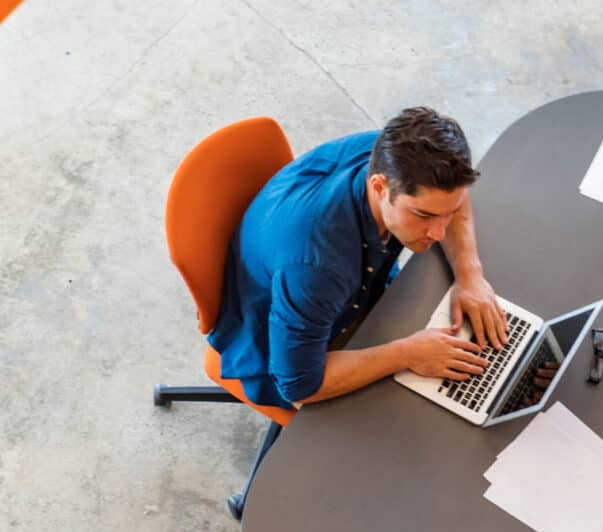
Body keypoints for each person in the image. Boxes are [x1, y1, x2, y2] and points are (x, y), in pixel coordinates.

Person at [209, 107, 509, 409]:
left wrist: (469, 275)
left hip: (344, 289)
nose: (438, 233)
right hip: (286, 348)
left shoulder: (398, 158)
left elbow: (450, 197)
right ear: (379, 187)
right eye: (423, 216)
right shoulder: (317, 269)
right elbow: (299, 384)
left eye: (449, 214)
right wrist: (408, 354)